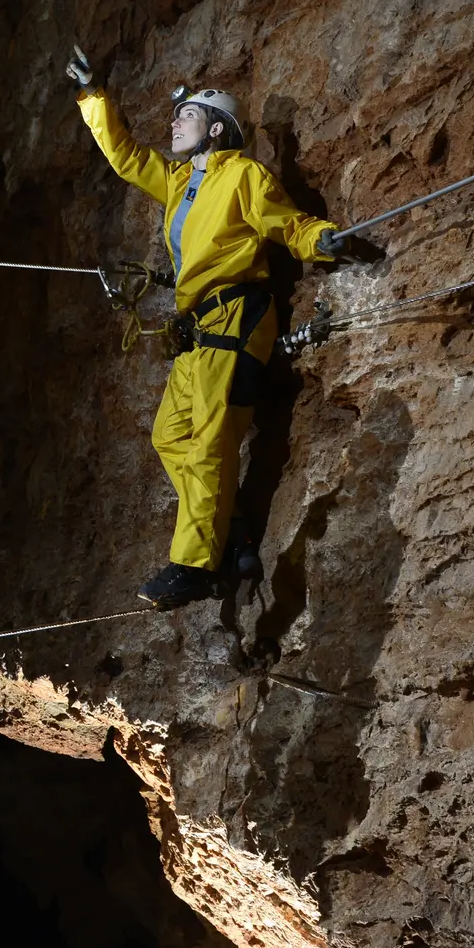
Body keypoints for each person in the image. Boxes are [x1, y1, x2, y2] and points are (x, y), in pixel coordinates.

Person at [66, 48, 341, 608]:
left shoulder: (243, 174)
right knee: (170, 437)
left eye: (186, 115)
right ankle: (232, 524)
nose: (174, 122)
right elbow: (124, 157)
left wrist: (321, 240)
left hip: (237, 316)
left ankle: (192, 566)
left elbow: (285, 223)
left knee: (211, 443)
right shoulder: (180, 181)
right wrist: (93, 96)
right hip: (198, 330)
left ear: (216, 128)